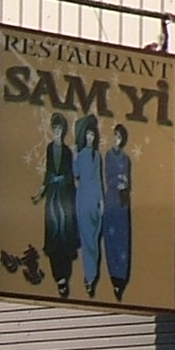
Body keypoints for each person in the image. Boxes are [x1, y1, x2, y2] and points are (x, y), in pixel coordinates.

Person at [38, 115, 78, 297]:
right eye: (55, 129)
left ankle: (64, 276)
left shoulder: (67, 152)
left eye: (60, 129)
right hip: (53, 196)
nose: (57, 132)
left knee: (65, 231)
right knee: (53, 232)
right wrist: (41, 190)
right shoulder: (49, 148)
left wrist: (63, 180)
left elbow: (70, 174)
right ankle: (58, 276)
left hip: (64, 196)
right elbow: (48, 172)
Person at [73, 114, 106, 297]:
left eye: (92, 135)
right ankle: (89, 276)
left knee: (94, 238)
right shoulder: (80, 155)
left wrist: (101, 200)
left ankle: (92, 276)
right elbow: (76, 174)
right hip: (84, 197)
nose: (90, 138)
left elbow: (99, 178)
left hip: (94, 197)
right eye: (87, 134)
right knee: (87, 239)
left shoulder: (97, 156)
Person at [103, 123, 135, 303]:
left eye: (119, 137)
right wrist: (118, 182)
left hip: (123, 200)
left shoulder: (126, 158)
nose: (116, 139)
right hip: (113, 198)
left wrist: (124, 184)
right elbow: (109, 176)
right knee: (111, 237)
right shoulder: (109, 155)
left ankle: (121, 277)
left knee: (123, 238)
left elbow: (127, 178)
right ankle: (113, 274)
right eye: (115, 136)